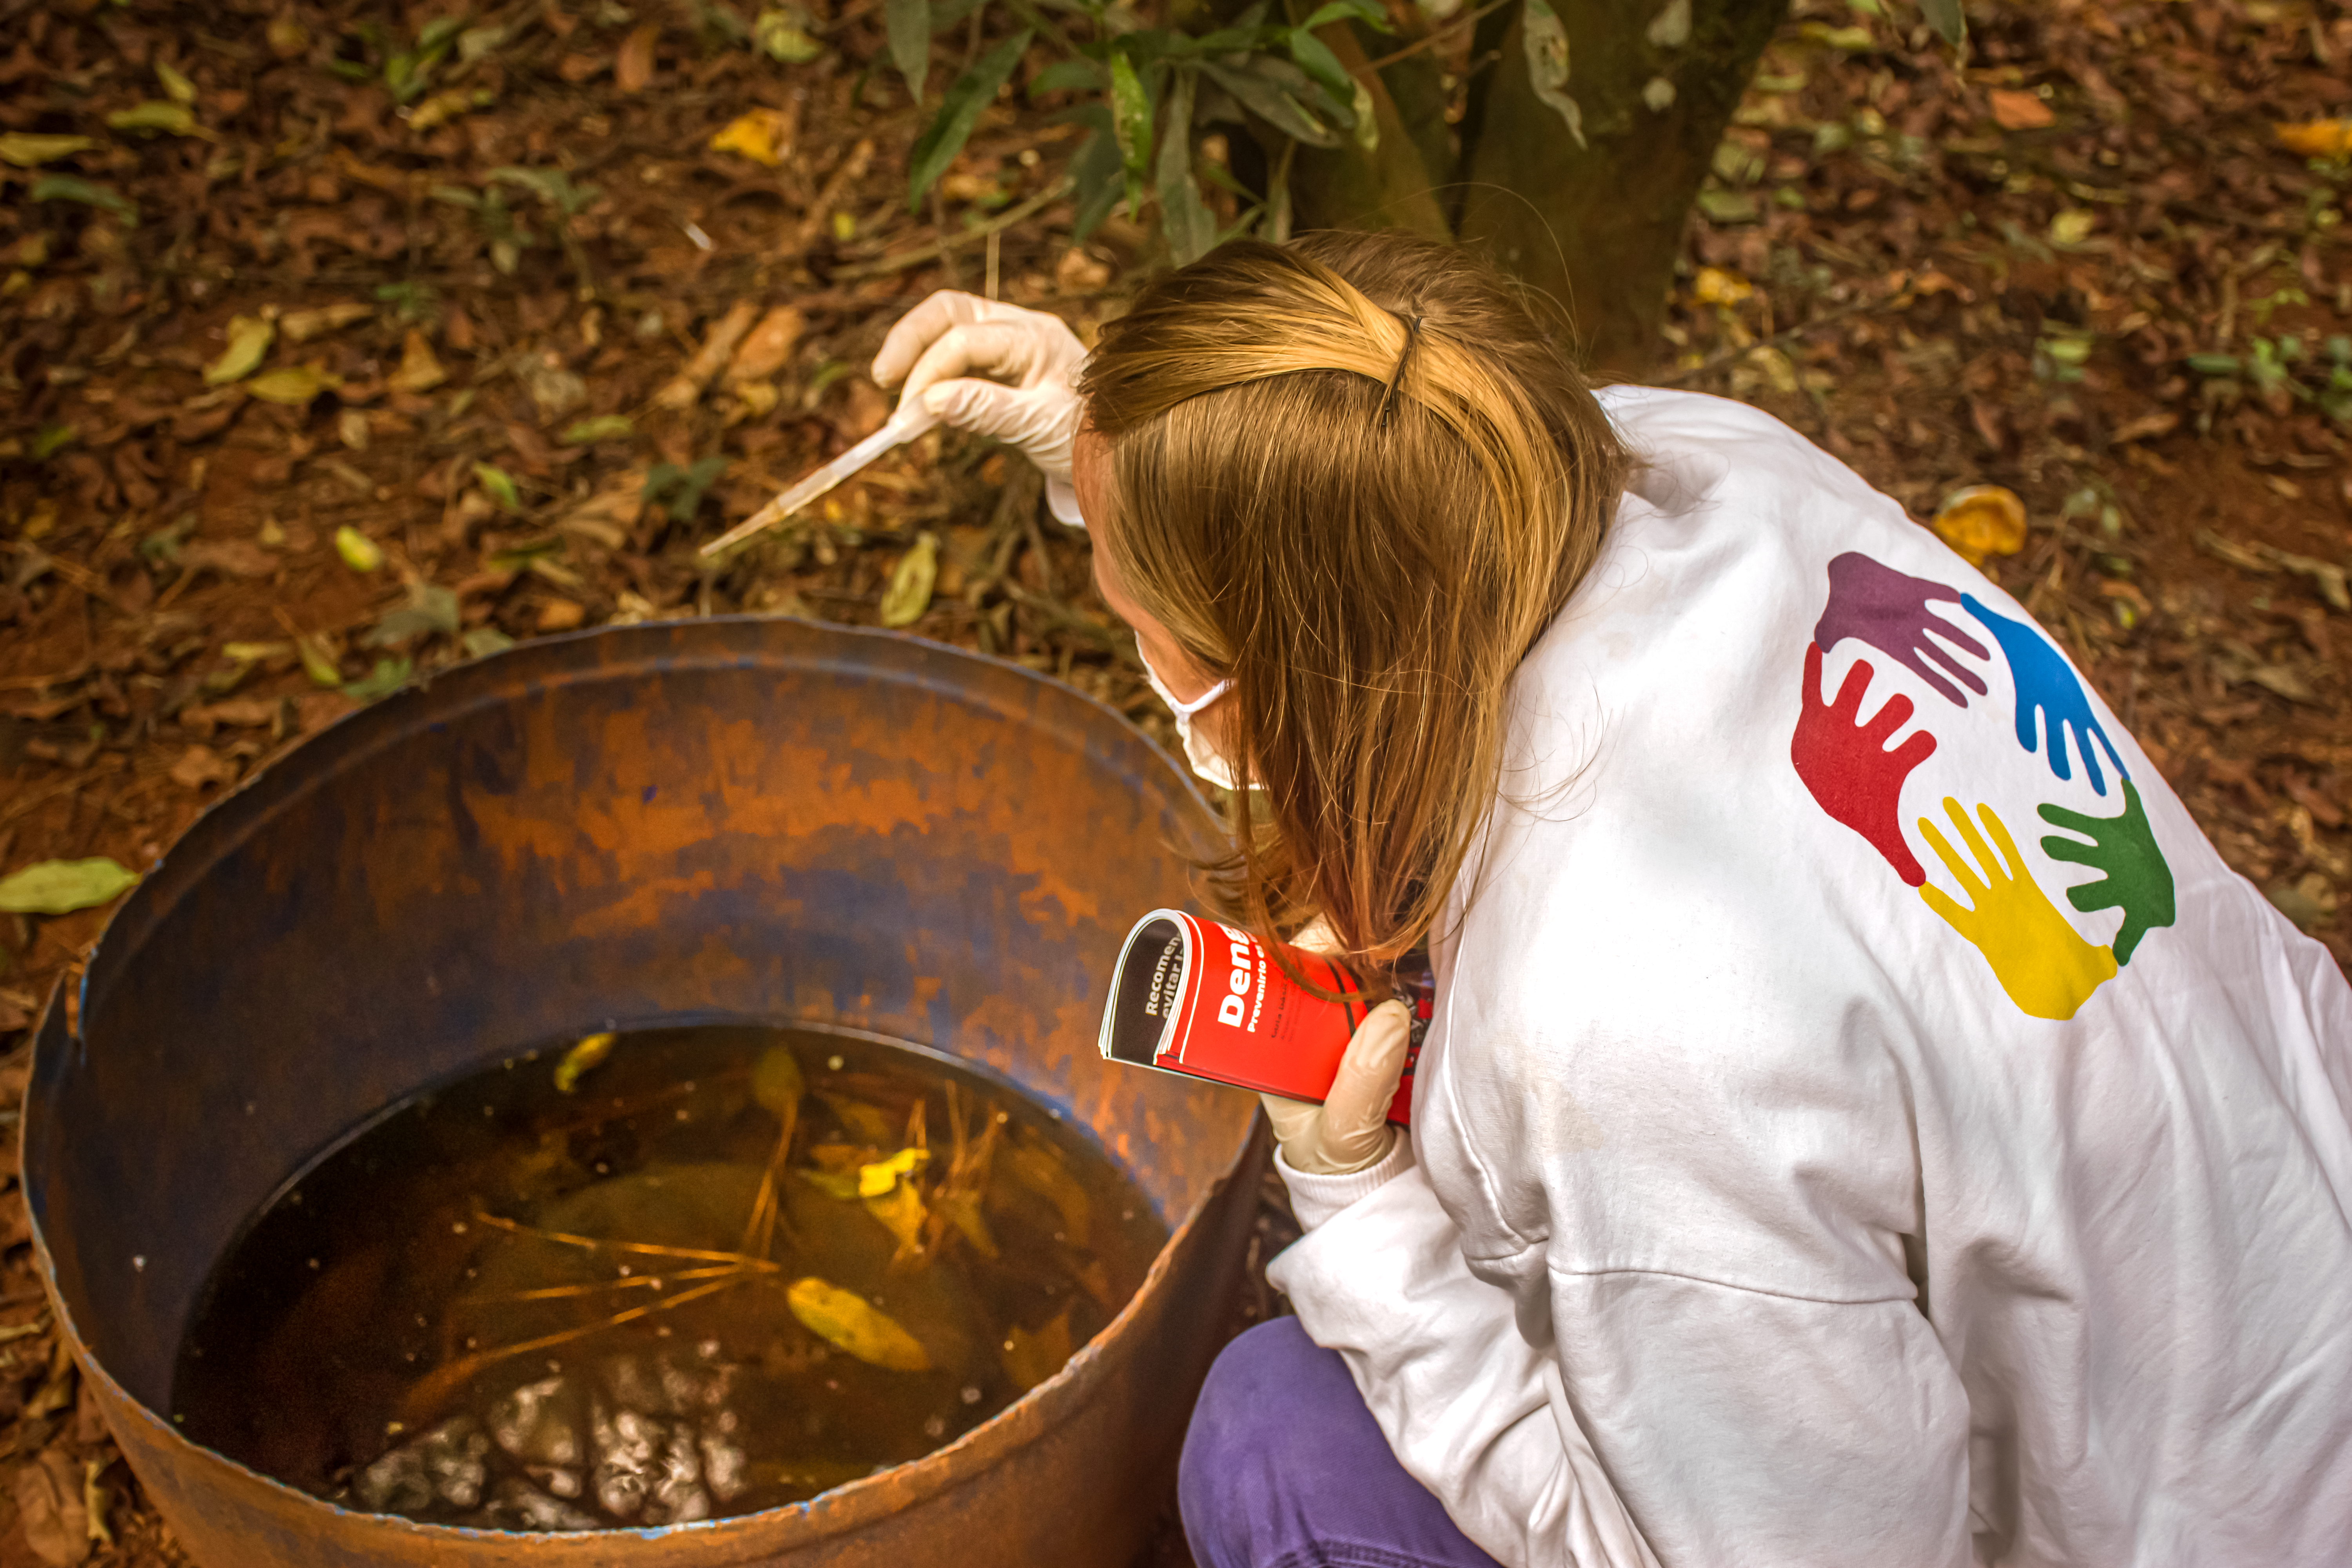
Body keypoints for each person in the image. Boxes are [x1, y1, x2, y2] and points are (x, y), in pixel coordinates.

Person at [869, 232, 2352, 1568]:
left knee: (1275, 1440)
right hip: (2281, 1254)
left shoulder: (1626, 1031)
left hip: (2192, 1530)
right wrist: (1115, 452)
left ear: (1303, 670)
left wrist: (1360, 1211)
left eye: (1158, 631)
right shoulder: (1667, 464)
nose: (1159, 668)